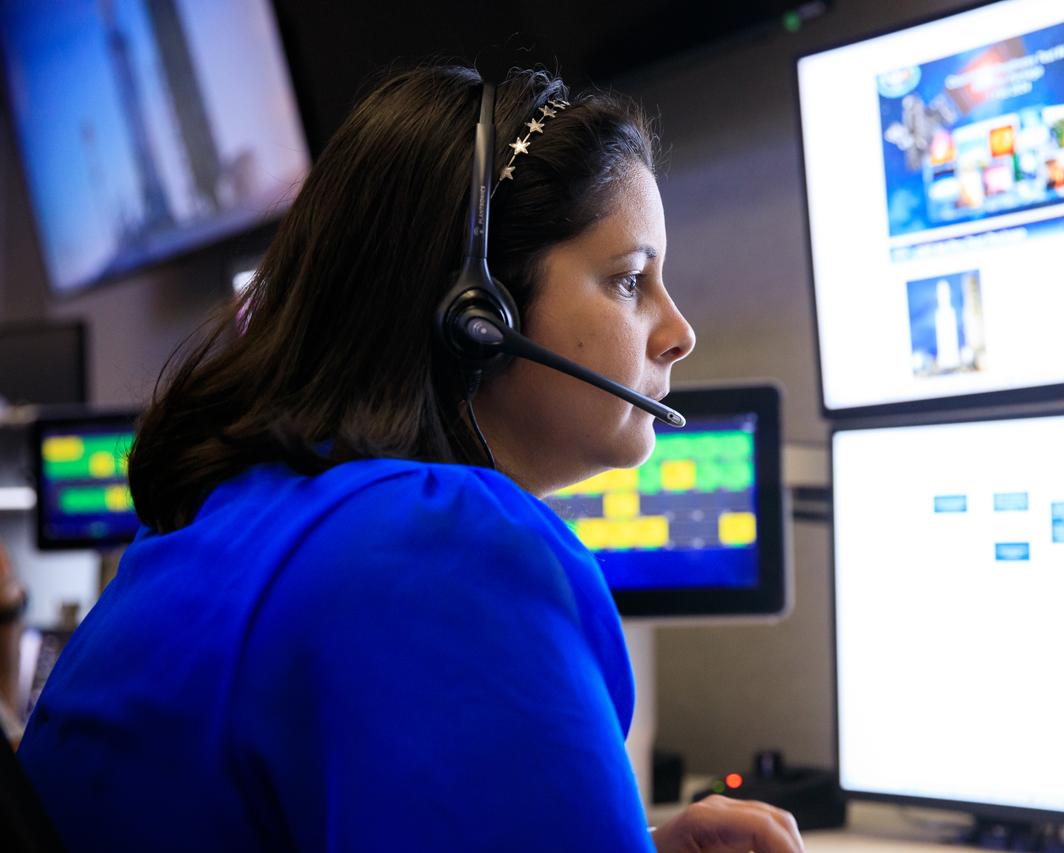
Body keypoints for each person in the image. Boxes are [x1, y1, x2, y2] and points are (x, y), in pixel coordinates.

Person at [17, 65, 804, 852]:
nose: (679, 331)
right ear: (477, 314)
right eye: (630, 279)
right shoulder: (442, 550)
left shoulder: (223, 521)